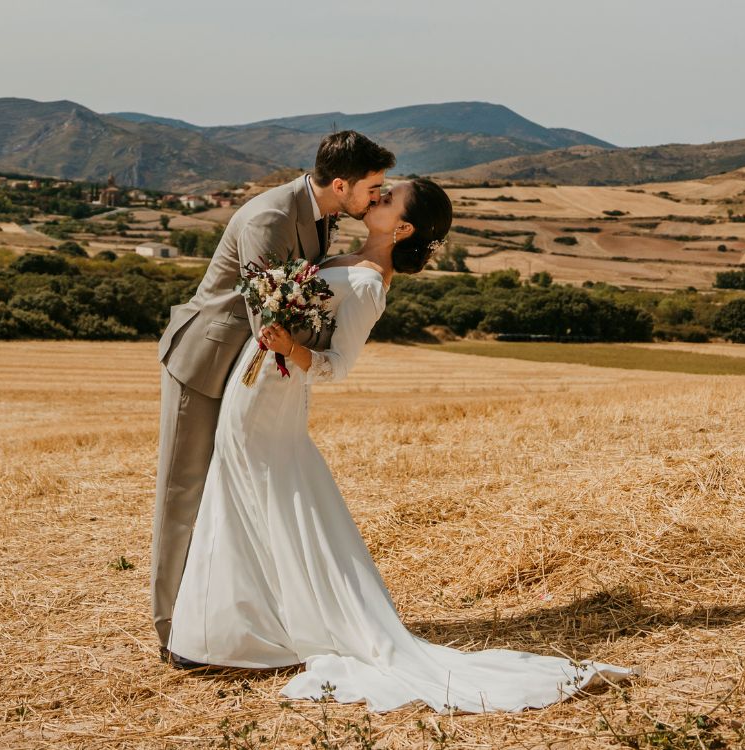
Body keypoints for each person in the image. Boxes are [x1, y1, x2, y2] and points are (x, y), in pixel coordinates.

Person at [166, 178, 633, 713]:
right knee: (247, 500)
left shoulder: (368, 285)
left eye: (388, 199)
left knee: (254, 498)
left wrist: (288, 345)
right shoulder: (344, 252)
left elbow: (337, 367)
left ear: (404, 228)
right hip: (253, 383)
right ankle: (243, 630)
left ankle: (233, 638)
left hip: (273, 393)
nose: (377, 197)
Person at [152, 131, 395, 657]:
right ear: (340, 184)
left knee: (232, 493)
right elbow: (272, 315)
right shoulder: (272, 217)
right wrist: (327, 355)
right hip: (208, 360)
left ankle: (232, 618)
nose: (377, 196)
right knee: (184, 493)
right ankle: (173, 630)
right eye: (373, 187)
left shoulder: (327, 213)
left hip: (255, 369)